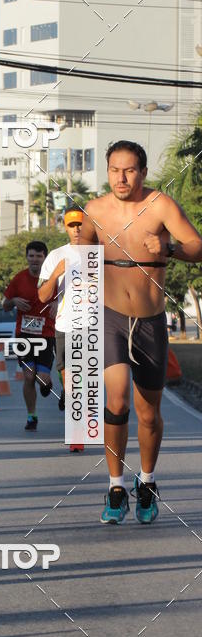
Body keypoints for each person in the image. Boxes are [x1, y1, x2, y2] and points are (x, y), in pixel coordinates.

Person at [79, 140, 202, 524]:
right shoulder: (94, 211)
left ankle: (146, 481)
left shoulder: (161, 206)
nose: (121, 177)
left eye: (129, 170)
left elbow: (197, 245)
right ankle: (116, 485)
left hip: (149, 322)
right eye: (114, 169)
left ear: (143, 172)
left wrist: (168, 247)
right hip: (110, 317)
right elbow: (81, 251)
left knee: (149, 414)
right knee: (116, 402)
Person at [37, 208, 85, 452]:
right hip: (66, 326)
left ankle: (79, 430)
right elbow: (43, 295)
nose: (76, 229)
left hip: (94, 326)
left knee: (85, 380)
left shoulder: (101, 254)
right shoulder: (56, 256)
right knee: (70, 381)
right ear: (65, 228)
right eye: (72, 225)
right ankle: (76, 428)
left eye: (80, 225)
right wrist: (57, 273)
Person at [2, 241, 56, 431]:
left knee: (41, 378)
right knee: (28, 376)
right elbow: (5, 304)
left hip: (46, 335)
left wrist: (58, 305)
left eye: (38, 256)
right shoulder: (19, 279)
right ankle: (31, 415)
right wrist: (14, 300)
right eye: (31, 256)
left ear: (44, 258)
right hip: (23, 335)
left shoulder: (52, 279)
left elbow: (66, 299)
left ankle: (46, 383)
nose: (34, 260)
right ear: (26, 257)